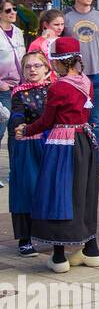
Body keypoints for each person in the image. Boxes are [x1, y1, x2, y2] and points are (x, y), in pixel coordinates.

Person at [14, 37, 99, 272]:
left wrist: (26, 131)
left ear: (61, 63)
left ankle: (60, 256)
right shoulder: (87, 82)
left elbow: (47, 120)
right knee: (84, 192)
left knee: (58, 193)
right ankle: (91, 249)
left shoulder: (59, 87)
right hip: (85, 139)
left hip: (61, 144)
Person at [62, 0, 99, 175]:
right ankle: (76, 160)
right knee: (74, 119)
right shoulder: (66, 17)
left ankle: (95, 161)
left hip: (98, 76)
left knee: (95, 121)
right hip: (75, 78)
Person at [9, 52, 52, 257]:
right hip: (27, 145)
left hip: (52, 144)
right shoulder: (19, 92)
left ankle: (53, 233)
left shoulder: (55, 88)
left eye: (37, 65)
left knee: (52, 189)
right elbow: (17, 113)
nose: (32, 70)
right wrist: (18, 125)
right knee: (25, 190)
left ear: (46, 68)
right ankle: (25, 239)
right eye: (28, 67)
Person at [0, 0, 26, 168]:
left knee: (15, 131)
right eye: (8, 10)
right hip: (3, 88)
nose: (13, 13)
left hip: (19, 87)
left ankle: (15, 169)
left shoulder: (18, 32)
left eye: (14, 9)